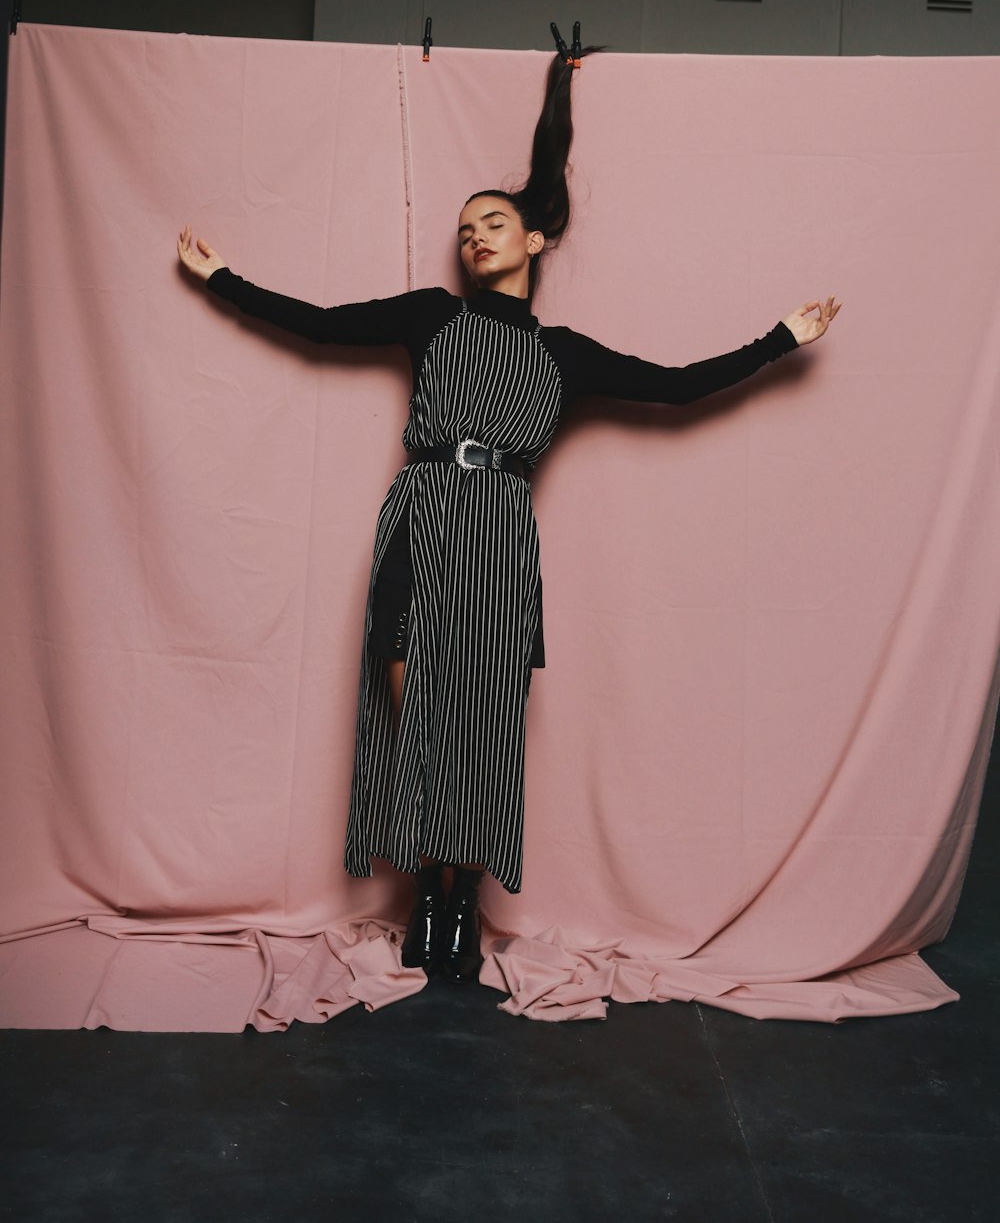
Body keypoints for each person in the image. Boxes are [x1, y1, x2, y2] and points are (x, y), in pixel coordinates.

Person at [176, 49, 840, 986]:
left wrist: (783, 339)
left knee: (483, 724)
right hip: (423, 512)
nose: (474, 237)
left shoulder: (567, 355)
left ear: (533, 242)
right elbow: (322, 322)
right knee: (415, 709)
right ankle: (426, 886)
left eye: (494, 223)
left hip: (499, 536)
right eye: (463, 229)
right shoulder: (426, 315)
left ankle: (459, 898)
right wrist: (222, 279)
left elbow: (681, 388)